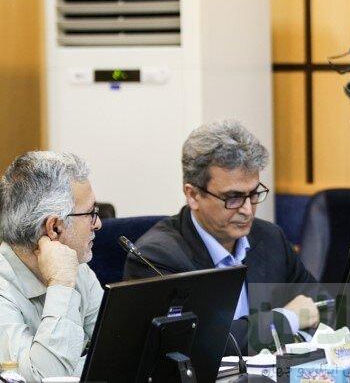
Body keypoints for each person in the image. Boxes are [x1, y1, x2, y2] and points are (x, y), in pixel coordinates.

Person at [123, 119, 320, 350]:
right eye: (233, 197)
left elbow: (319, 306)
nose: (247, 210)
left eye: (254, 194)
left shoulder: (269, 237)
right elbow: (194, 344)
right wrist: (285, 321)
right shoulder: (156, 257)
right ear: (193, 195)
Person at [0, 151, 103, 380]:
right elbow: (43, 378)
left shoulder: (80, 270)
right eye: (91, 213)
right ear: (55, 227)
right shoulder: (3, 291)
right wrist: (61, 284)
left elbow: (119, 351)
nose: (98, 224)